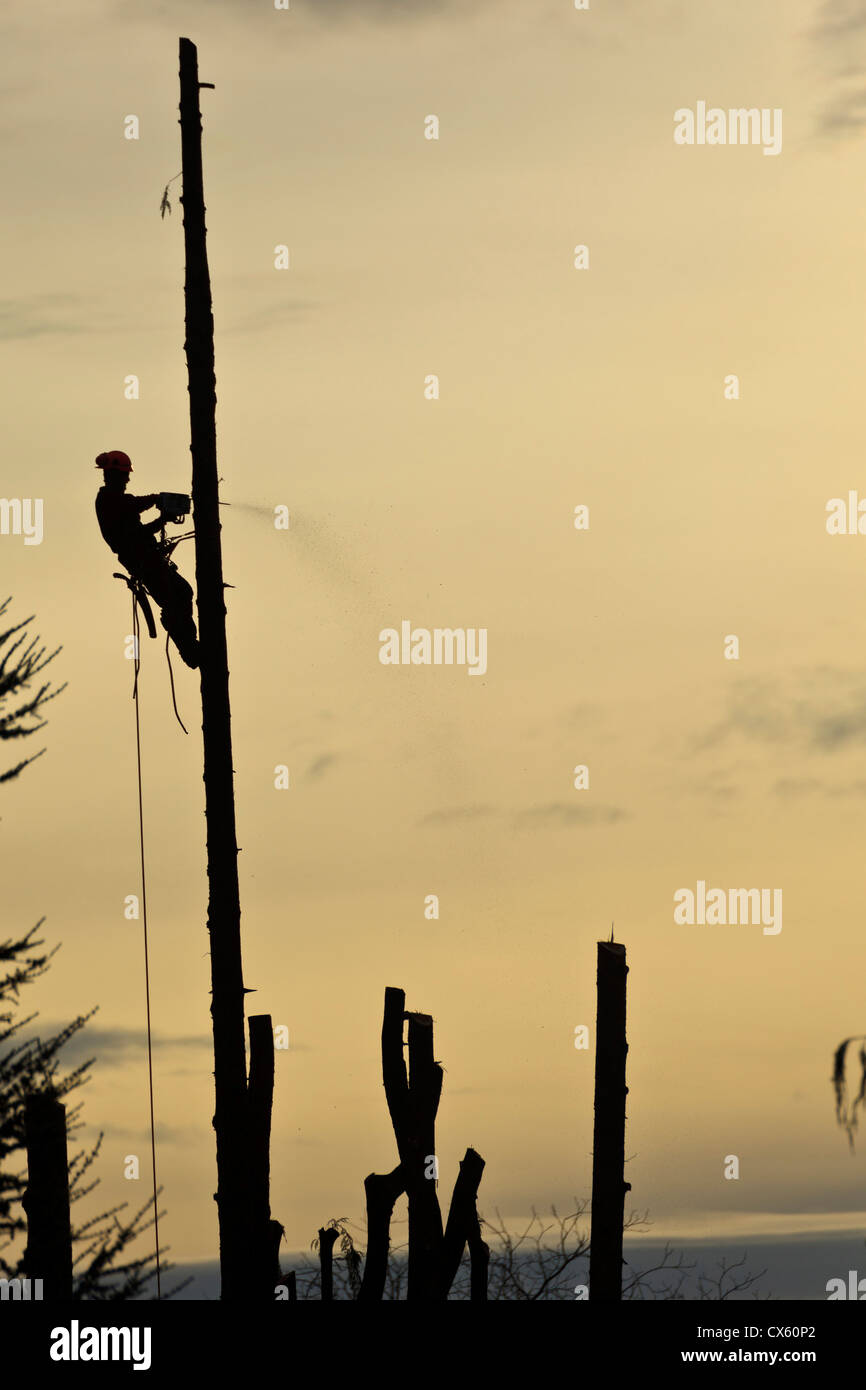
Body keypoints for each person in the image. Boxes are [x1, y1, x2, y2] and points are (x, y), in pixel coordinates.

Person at [95, 450, 199, 669]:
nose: (127, 480)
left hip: (147, 560)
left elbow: (141, 533)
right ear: (113, 475)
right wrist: (156, 499)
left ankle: (189, 646)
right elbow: (132, 507)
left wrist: (162, 520)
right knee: (176, 598)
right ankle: (190, 650)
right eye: (124, 475)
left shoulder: (117, 502)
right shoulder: (108, 501)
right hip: (143, 563)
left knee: (182, 593)